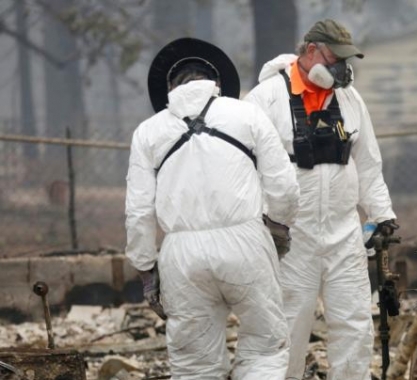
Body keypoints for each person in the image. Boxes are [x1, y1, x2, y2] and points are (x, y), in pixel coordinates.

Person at [125, 37, 300, 379]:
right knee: (265, 349)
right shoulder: (247, 113)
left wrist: (146, 268)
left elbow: (138, 211)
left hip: (182, 255)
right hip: (246, 241)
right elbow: (283, 184)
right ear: (217, 83)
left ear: (169, 88)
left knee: (194, 365)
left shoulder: (147, 132)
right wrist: (278, 228)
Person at [244, 19, 398, 380]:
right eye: (334, 58)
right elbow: (245, 171)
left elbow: (368, 163)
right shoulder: (265, 100)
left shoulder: (349, 99)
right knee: (288, 327)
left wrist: (382, 214)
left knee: (354, 325)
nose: (340, 69)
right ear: (310, 51)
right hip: (290, 238)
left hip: (344, 234)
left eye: (345, 60)